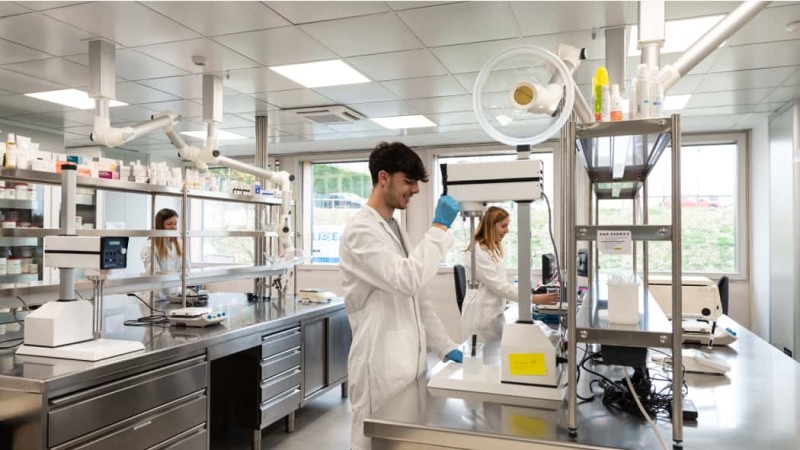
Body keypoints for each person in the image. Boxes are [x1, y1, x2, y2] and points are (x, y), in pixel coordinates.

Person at [339, 142, 462, 450]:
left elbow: (420, 298)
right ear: (383, 178)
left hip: (408, 364)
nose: (415, 190)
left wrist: (446, 346)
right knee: (372, 443)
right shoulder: (360, 230)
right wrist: (438, 228)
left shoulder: (395, 228)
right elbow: (406, 279)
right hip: (380, 366)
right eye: (408, 181)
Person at [461, 206, 559, 340]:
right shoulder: (478, 251)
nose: (507, 231)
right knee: (484, 352)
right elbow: (498, 286)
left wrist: (526, 296)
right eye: (503, 226)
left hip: (494, 313)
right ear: (490, 226)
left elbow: (499, 283)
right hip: (481, 316)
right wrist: (532, 298)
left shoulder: (493, 248)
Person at [141, 208, 183, 300]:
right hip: (155, 297)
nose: (173, 227)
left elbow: (185, 269)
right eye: (169, 224)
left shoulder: (179, 243)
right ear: (160, 226)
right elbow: (154, 273)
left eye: (175, 224)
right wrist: (176, 274)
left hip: (175, 295)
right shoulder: (149, 246)